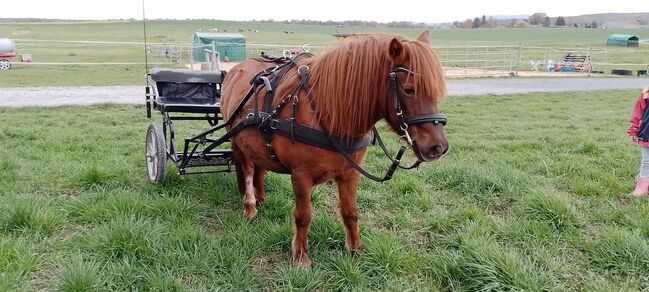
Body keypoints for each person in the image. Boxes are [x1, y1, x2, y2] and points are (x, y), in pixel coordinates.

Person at [627, 87, 649, 197]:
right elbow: (637, 114)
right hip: (647, 135)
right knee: (646, 161)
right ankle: (642, 186)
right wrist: (634, 130)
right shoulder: (645, 95)